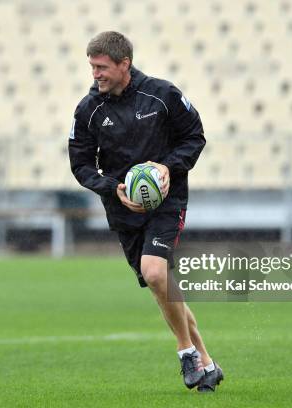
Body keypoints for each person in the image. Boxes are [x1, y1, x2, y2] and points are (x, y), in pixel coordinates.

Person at [68, 31, 223, 392]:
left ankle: (186, 352)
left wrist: (168, 167)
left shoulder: (163, 95)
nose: (95, 74)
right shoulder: (88, 111)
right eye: (92, 66)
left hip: (167, 203)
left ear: (125, 64)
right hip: (123, 210)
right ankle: (207, 363)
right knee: (160, 287)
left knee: (154, 273)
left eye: (102, 67)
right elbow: (80, 165)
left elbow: (194, 138)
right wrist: (113, 188)